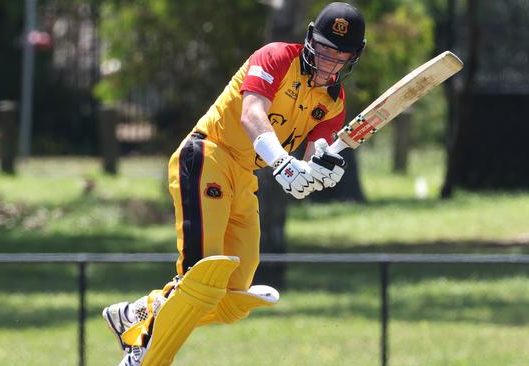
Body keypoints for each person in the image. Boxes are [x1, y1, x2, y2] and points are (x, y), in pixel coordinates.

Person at [103, 2, 366, 365]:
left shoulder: (333, 102)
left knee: (232, 299)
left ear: (353, 58)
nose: (329, 64)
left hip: (244, 177)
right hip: (208, 155)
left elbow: (311, 156)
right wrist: (283, 165)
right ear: (309, 41)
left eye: (341, 56)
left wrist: (315, 174)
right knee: (201, 279)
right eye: (324, 50)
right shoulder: (275, 57)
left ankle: (139, 314)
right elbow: (252, 113)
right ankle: (143, 356)